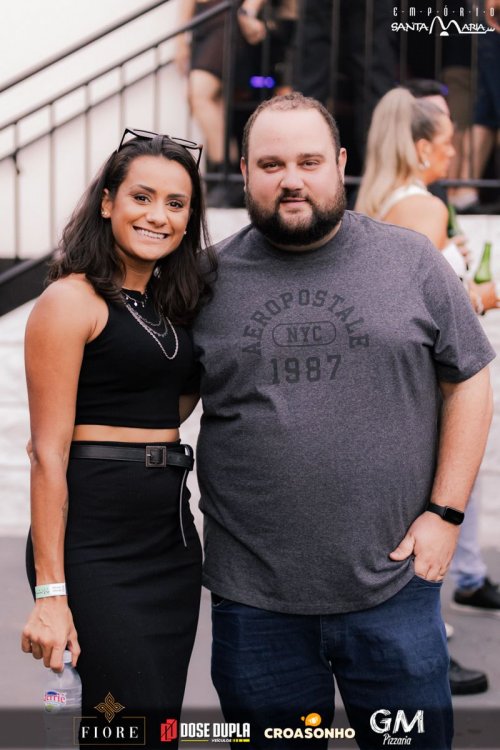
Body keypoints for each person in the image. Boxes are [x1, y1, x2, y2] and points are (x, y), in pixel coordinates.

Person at [192, 92, 495, 749]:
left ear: (340, 163)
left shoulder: (410, 260)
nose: (291, 179)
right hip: (256, 603)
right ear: (243, 171)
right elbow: (158, 407)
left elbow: (470, 378)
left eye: (309, 161)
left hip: (395, 588)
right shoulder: (204, 281)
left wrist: (446, 515)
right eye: (271, 164)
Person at [21, 129, 215, 749]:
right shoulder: (70, 300)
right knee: (121, 723)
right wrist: (52, 594)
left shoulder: (168, 309)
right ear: (108, 202)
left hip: (169, 538)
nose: (159, 216)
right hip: (96, 544)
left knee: (157, 723)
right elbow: (47, 455)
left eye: (177, 204)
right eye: (142, 197)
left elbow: (166, 404)